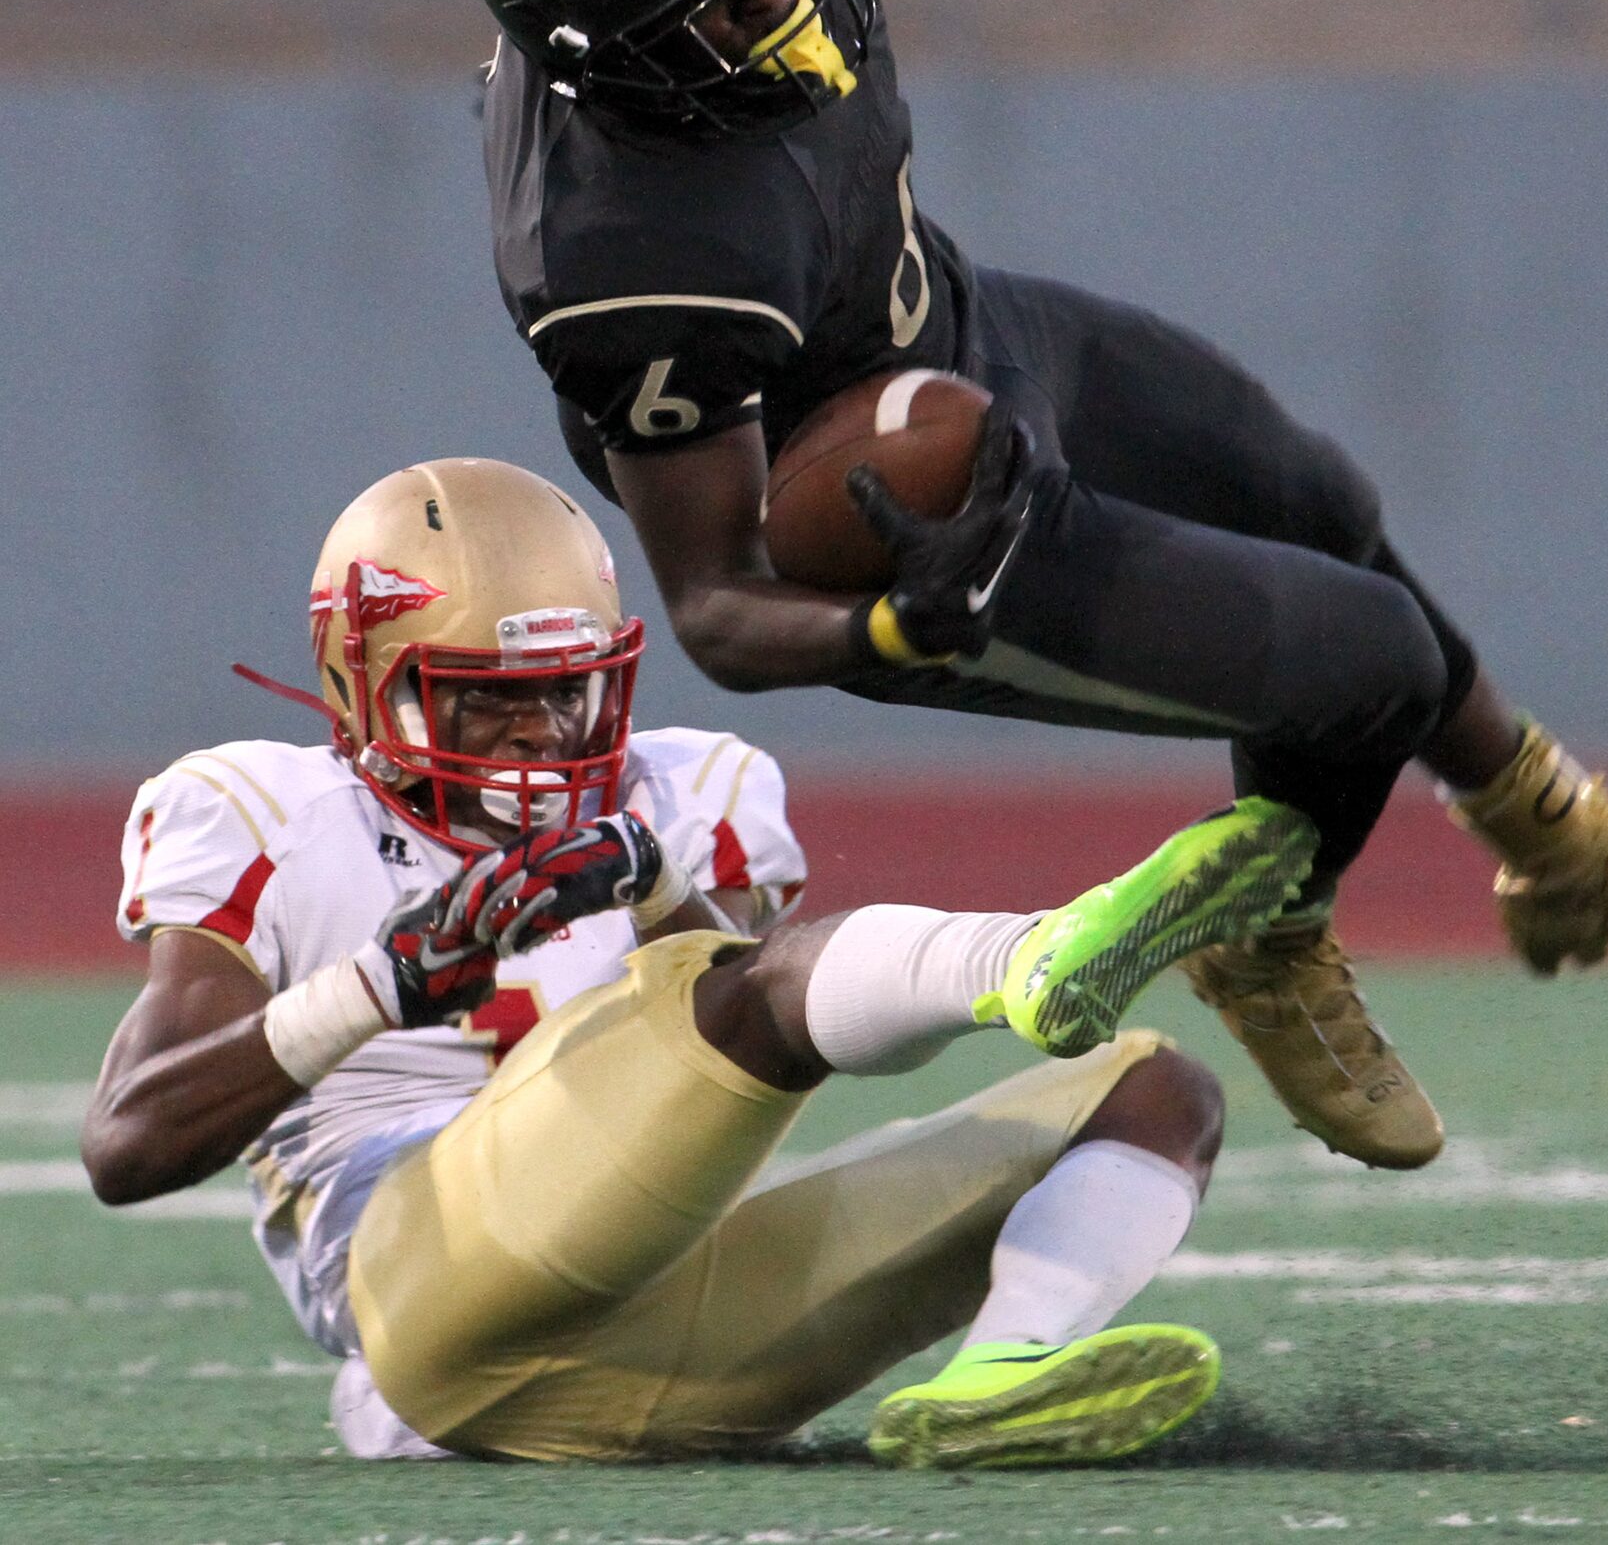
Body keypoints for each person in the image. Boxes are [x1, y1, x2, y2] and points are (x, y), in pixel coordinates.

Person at [461, 0, 1608, 1175]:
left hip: (967, 324)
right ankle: (1268, 937)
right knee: (1371, 662)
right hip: (926, 521)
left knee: (1317, 496)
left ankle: (1560, 839)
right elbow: (715, 609)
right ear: (612, 65)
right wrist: (898, 618)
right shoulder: (625, 265)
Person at [83, 455, 1320, 1467]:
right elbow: (130, 1144)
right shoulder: (264, 809)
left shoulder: (684, 789)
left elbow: (742, 1048)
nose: (539, 730)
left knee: (1159, 1091)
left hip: (648, 1327)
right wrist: (380, 986)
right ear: (366, 682)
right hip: (421, 1278)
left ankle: (1001, 1377)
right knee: (746, 989)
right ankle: (1031, 956)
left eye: (566, 691)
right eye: (483, 696)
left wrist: (656, 881)